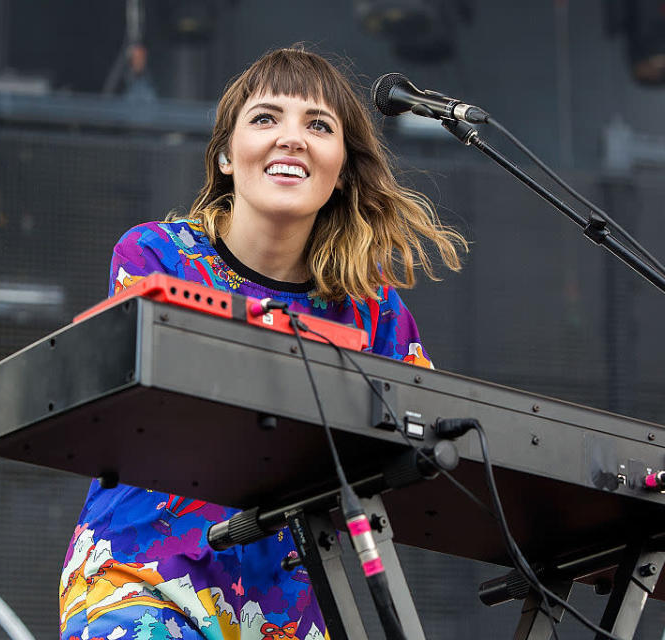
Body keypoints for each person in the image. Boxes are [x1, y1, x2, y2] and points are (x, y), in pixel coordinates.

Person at [59, 47, 467, 640]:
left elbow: (425, 447)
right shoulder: (157, 257)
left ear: (343, 170)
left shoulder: (371, 307)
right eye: (266, 118)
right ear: (226, 155)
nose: (292, 139)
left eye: (319, 126)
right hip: (140, 575)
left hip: (285, 606)